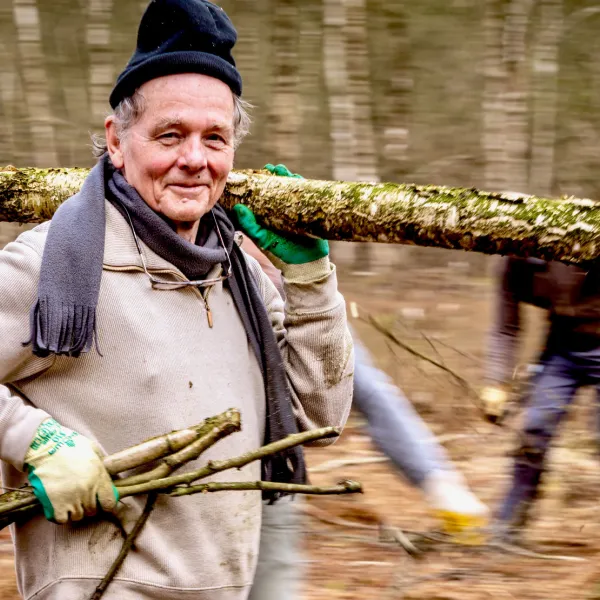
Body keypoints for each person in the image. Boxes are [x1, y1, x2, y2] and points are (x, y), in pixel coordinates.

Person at [0, 2, 354, 598]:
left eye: (214, 137)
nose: (195, 159)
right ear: (117, 141)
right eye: (170, 135)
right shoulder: (57, 268)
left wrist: (313, 278)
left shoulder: (240, 276)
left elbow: (316, 421)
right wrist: (34, 440)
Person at [246, 165, 489, 600]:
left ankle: (442, 484)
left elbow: (364, 392)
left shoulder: (289, 277)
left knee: (369, 389)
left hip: (273, 470)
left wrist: (438, 482)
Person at [482, 256, 600, 540]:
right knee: (533, 432)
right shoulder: (514, 263)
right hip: (562, 347)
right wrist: (497, 382)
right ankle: (508, 527)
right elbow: (506, 327)